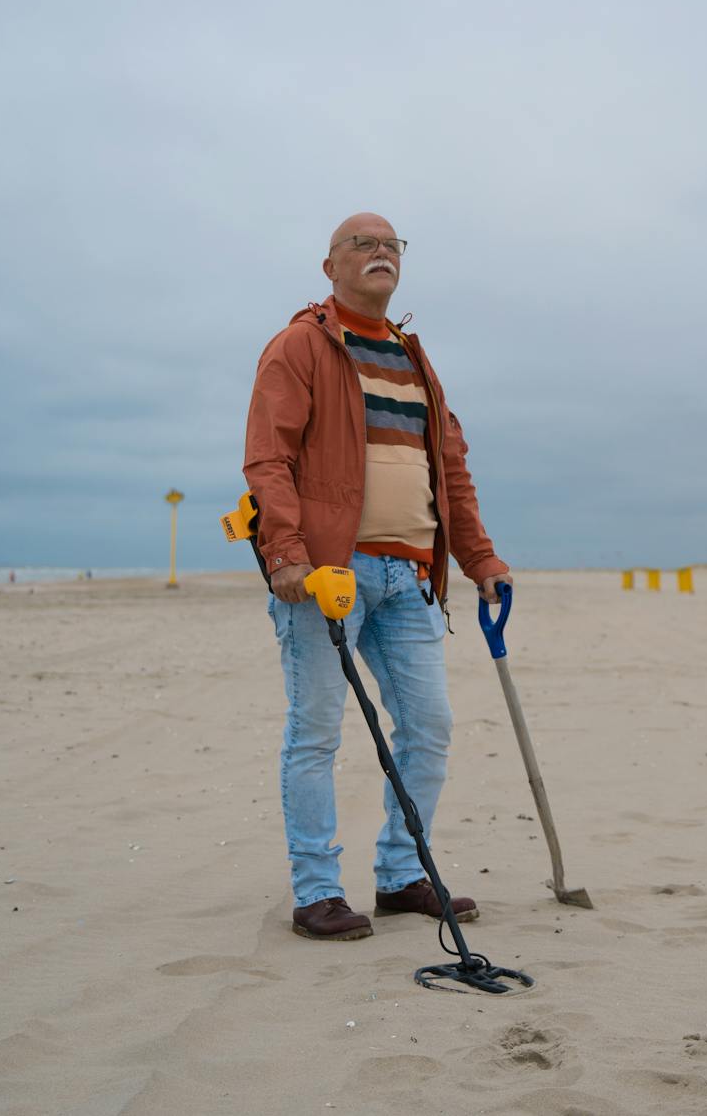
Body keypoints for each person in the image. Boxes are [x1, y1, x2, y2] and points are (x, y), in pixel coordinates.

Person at [243, 212, 511, 941]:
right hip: (327, 575)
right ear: (329, 265)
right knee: (316, 732)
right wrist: (287, 553)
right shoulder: (300, 345)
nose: (380, 252)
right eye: (363, 243)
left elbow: (449, 468)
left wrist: (479, 559)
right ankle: (316, 892)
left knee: (429, 726)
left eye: (392, 245)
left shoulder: (414, 359)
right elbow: (269, 457)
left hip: (410, 573)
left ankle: (400, 874)